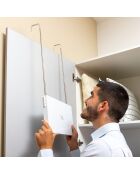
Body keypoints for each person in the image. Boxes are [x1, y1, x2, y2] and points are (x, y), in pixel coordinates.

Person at [35, 80, 133, 157]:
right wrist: (74, 147)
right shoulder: (114, 141)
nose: (86, 100)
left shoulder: (102, 147)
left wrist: (45, 148)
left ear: (102, 106)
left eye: (92, 95)